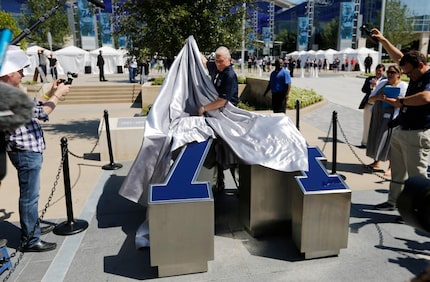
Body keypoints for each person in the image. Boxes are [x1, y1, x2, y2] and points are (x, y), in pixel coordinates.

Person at [1, 46, 71, 252]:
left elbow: (34, 106)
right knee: (29, 196)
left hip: (23, 150)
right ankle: (30, 240)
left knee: (31, 195)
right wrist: (57, 95)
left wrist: (49, 91)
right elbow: (42, 113)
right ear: (7, 74)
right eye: (19, 71)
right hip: (25, 152)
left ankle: (33, 228)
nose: (23, 74)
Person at [370, 28, 430, 211]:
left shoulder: (428, 76)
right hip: (403, 129)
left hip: (418, 133)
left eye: (409, 73)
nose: (407, 76)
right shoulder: (414, 69)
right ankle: (393, 202)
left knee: (416, 176)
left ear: (420, 65)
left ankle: (417, 210)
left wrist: (402, 101)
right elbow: (400, 58)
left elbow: (426, 97)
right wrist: (383, 40)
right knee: (397, 172)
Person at [199, 46, 239, 192]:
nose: (218, 64)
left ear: (229, 60)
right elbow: (204, 61)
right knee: (216, 152)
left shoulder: (229, 75)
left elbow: (223, 101)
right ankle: (218, 184)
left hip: (228, 118)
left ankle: (240, 186)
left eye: (221, 61)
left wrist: (204, 108)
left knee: (231, 154)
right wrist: (192, 44)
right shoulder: (217, 68)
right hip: (217, 117)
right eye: (216, 61)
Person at [366, 65, 408, 175]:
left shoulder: (403, 86)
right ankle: (376, 161)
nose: (389, 74)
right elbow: (371, 98)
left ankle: (391, 167)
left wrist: (386, 99)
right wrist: (379, 98)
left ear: (399, 74)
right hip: (378, 115)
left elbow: (401, 104)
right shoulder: (382, 83)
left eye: (393, 72)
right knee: (377, 137)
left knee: (390, 141)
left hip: (393, 117)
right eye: (389, 72)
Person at [358, 63, 386, 148]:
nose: (378, 72)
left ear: (383, 71)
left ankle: (375, 143)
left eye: (380, 71)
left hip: (379, 105)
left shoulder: (385, 81)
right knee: (367, 123)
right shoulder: (370, 79)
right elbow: (363, 89)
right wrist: (371, 86)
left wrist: (377, 86)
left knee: (378, 124)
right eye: (377, 70)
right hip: (369, 104)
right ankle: (365, 142)